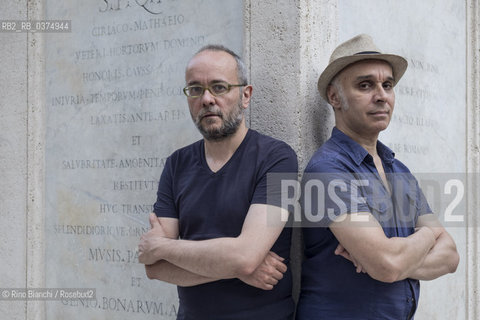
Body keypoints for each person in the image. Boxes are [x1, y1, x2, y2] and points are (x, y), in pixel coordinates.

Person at [296, 34, 459, 319]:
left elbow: (451, 257)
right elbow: (387, 263)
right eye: (365, 85)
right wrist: (428, 234)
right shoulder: (328, 170)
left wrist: (391, 262)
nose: (381, 95)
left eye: (388, 85)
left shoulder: (399, 171)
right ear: (335, 97)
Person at [138, 44, 298, 320]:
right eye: (195, 89)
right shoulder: (176, 165)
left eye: (220, 87)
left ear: (245, 95)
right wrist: (235, 266)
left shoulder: (279, 159)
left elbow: (246, 256)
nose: (207, 99)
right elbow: (155, 268)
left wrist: (164, 248)